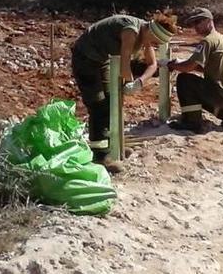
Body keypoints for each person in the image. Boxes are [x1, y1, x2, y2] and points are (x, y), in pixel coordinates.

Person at [71, 13, 177, 172]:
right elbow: (124, 64)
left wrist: (139, 82)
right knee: (99, 105)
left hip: (103, 60)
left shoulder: (146, 31)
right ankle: (100, 156)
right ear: (152, 32)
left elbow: (153, 65)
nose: (154, 45)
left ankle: (115, 144)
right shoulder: (131, 31)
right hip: (85, 58)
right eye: (155, 41)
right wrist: (129, 82)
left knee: (112, 101)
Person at [165, 8, 223, 133]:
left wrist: (171, 65)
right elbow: (205, 67)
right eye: (193, 23)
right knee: (200, 88)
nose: (195, 26)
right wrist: (180, 63)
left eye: (198, 22)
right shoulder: (222, 38)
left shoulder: (207, 41)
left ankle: (192, 122)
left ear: (208, 21)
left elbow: (188, 67)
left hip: (221, 94)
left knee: (184, 80)